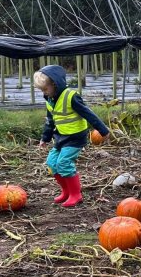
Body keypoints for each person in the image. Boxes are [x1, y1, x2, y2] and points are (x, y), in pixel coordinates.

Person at [35, 65, 110, 207]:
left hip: (75, 137)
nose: (43, 93)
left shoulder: (71, 96)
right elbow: (50, 121)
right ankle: (66, 192)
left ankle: (76, 195)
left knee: (64, 163)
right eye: (42, 90)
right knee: (52, 163)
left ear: (55, 84)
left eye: (45, 89)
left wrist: (103, 131)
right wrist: (45, 138)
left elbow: (88, 113)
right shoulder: (50, 99)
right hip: (61, 137)